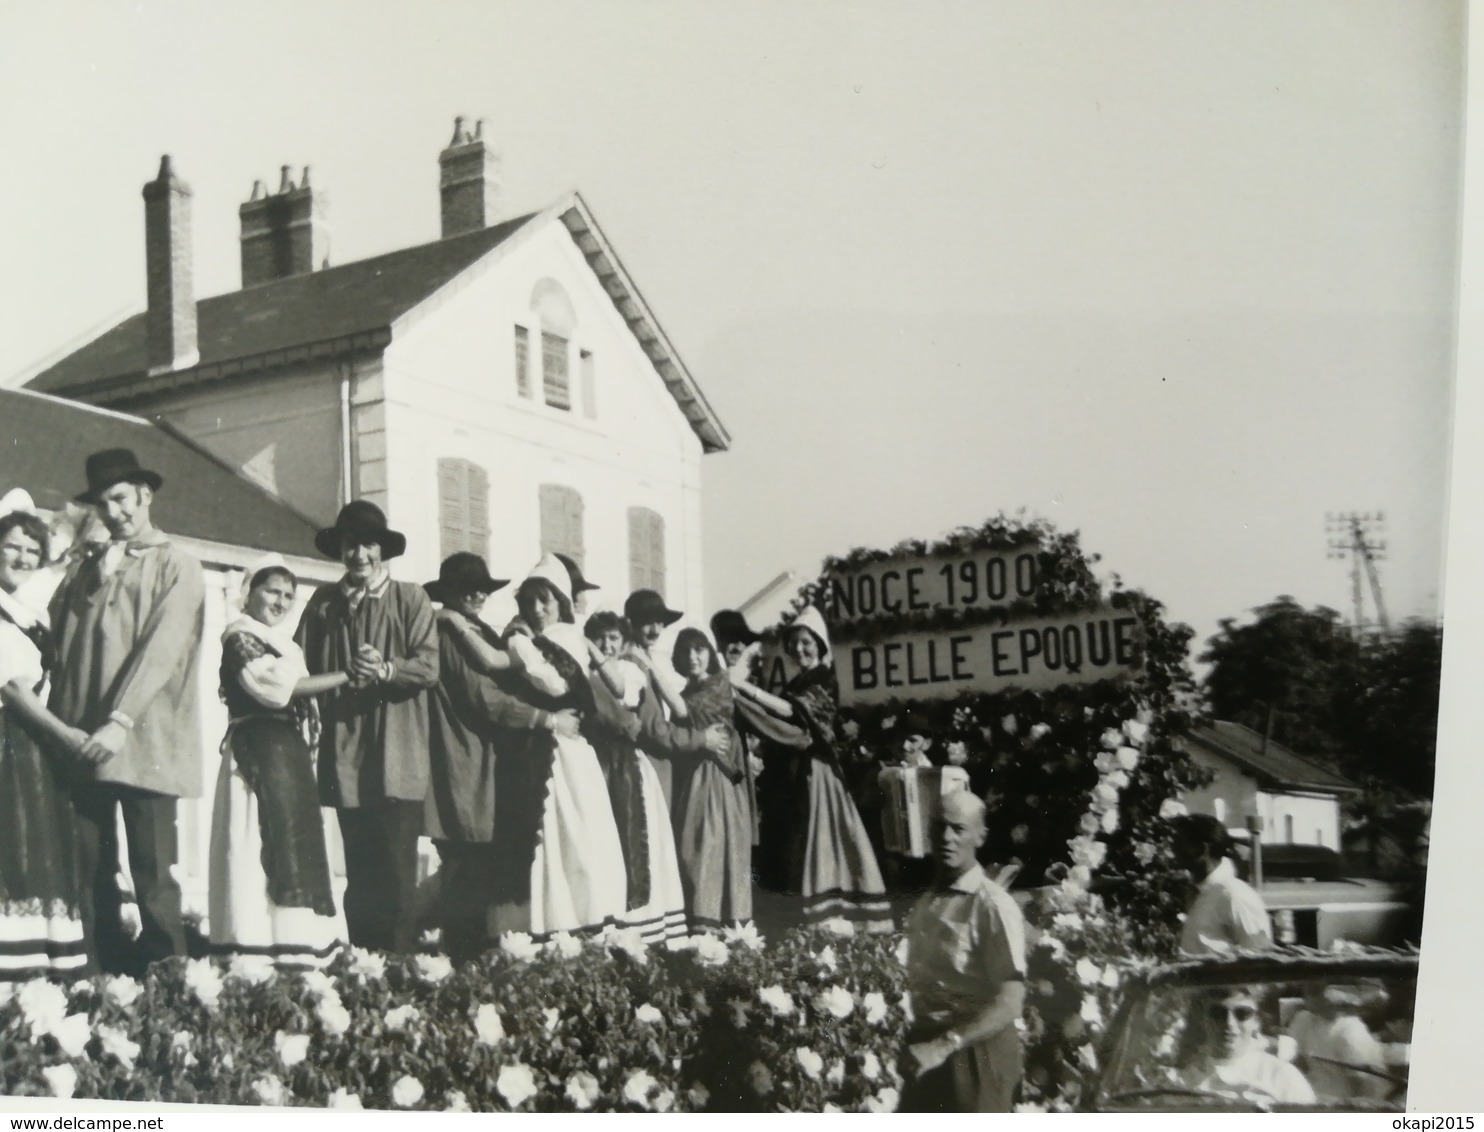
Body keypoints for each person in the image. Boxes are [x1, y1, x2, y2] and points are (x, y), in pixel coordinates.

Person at [49, 449, 206, 977]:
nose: (113, 512)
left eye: (120, 498)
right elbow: (56, 637)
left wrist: (120, 720)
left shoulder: (176, 564)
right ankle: (98, 976)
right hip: (79, 737)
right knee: (90, 867)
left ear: (144, 494)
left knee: (152, 869)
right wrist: (81, 563)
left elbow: (163, 647)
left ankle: (169, 979)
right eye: (103, 503)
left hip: (145, 738)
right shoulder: (89, 566)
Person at [296, 500, 439, 955]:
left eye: (367, 544)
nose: (358, 554)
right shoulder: (323, 603)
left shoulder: (410, 598)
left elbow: (429, 666)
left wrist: (386, 671)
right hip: (345, 758)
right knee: (359, 875)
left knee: (396, 874)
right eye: (349, 544)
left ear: (382, 550)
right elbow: (296, 660)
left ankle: (399, 973)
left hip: (397, 757)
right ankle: (365, 969)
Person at [424, 552, 581, 962]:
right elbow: (487, 701)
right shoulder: (452, 636)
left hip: (482, 762)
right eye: (466, 589)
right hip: (466, 761)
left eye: (482, 588)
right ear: (450, 594)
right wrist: (547, 718)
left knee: (477, 870)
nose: (476, 595)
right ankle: (462, 969)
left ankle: (470, 962)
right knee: (467, 868)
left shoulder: (473, 630)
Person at [209, 554, 348, 968]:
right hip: (258, 749)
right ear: (249, 593)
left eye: (289, 595)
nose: (281, 601)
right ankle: (257, 949)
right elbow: (274, 689)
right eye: (272, 591)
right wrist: (346, 676)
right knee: (258, 842)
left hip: (287, 752)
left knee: (293, 842)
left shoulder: (284, 645)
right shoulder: (240, 637)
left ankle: (296, 945)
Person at [486, 555, 629, 937]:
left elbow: (552, 683)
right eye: (529, 600)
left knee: (571, 838)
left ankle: (570, 922)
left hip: (563, 755)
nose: (536, 608)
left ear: (561, 602)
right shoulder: (534, 639)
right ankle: (534, 926)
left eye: (545, 599)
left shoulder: (566, 636)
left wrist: (518, 639)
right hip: (532, 748)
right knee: (537, 841)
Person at [732, 606, 892, 931]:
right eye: (794, 644)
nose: (799, 649)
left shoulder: (825, 680)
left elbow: (792, 712)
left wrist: (745, 688)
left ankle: (832, 921)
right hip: (792, 774)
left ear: (819, 644)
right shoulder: (800, 681)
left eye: (806, 642)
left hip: (816, 774)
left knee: (820, 841)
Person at [0, 496, 90, 980]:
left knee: (36, 848)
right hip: (9, 741)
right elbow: (13, 689)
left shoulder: (29, 614)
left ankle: (37, 974)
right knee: (12, 850)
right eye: (11, 547)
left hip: (31, 746)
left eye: (30, 550)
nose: (20, 558)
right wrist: (66, 736)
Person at [900, 791, 1027, 1112]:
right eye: (939, 827)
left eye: (958, 828)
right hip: (929, 1052)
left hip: (977, 1057)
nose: (946, 838)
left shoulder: (992, 905)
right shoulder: (928, 901)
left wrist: (945, 1045)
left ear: (980, 836)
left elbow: (1011, 1001)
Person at [577, 611, 688, 943]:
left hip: (625, 763)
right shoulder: (583, 671)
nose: (607, 645)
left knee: (635, 838)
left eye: (614, 638)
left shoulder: (628, 670)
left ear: (623, 642)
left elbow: (624, 703)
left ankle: (640, 926)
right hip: (593, 761)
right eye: (599, 637)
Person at [670, 628, 753, 931]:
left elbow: (685, 712)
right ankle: (702, 928)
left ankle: (719, 929)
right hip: (692, 778)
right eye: (685, 651)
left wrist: (647, 668)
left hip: (716, 779)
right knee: (693, 847)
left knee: (712, 844)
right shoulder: (686, 692)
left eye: (699, 649)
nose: (692, 657)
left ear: (709, 652)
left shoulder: (718, 685)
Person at [1179, 986, 1316, 1105]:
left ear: (1256, 1022)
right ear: (1204, 1020)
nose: (1230, 1024)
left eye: (1242, 1014)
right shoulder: (1184, 1077)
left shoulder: (1281, 1075)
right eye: (1218, 1014)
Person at [1170, 813, 1274, 957]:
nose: (1171, 852)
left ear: (1201, 849)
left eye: (1178, 844)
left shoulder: (1234, 895)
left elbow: (1259, 958)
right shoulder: (1198, 893)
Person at [623, 589, 688, 810]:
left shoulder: (644, 658)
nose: (655, 630)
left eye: (660, 623)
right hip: (648, 765)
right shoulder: (634, 662)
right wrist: (698, 739)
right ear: (631, 624)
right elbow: (654, 728)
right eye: (647, 623)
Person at [1286, 983, 1396, 1103]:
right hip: (1310, 1095)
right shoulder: (1304, 1019)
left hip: (1339, 1102)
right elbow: (1297, 1062)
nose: (1308, 998)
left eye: (1314, 993)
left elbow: (1363, 1086)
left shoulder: (1351, 1031)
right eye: (1309, 993)